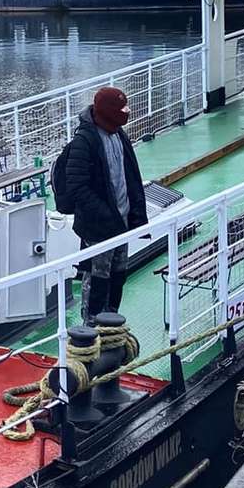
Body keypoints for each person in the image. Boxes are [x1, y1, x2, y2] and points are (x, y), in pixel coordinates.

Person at [64, 85, 147, 323]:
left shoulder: (119, 134)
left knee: (119, 273)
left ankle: (111, 322)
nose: (126, 112)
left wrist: (134, 214)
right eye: (121, 108)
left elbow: (129, 175)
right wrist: (105, 215)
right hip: (98, 227)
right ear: (107, 111)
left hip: (121, 222)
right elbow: (77, 186)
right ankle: (91, 327)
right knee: (97, 276)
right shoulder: (85, 141)